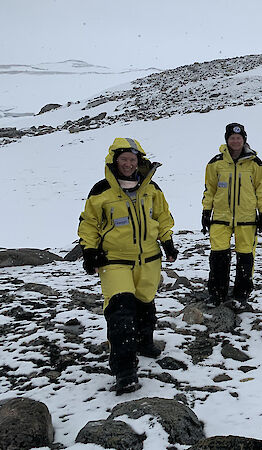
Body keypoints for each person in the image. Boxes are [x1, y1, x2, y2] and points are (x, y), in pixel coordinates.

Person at [78, 137, 178, 394]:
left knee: (145, 304)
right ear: (115, 160)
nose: (128, 164)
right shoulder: (101, 191)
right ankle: (124, 370)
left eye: (133, 160)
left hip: (149, 260)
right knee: (120, 311)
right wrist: (89, 251)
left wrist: (167, 241)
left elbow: (162, 216)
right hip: (115, 261)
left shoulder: (151, 188)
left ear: (139, 162)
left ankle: (144, 342)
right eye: (124, 159)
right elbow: (89, 224)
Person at [202, 123, 262, 311]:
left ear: (244, 140)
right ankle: (216, 294)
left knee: (245, 257)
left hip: (246, 218)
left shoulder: (255, 163)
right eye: (232, 138)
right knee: (218, 256)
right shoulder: (215, 163)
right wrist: (206, 211)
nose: (235, 141)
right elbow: (210, 189)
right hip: (221, 218)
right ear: (227, 140)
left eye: (239, 138)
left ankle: (241, 295)